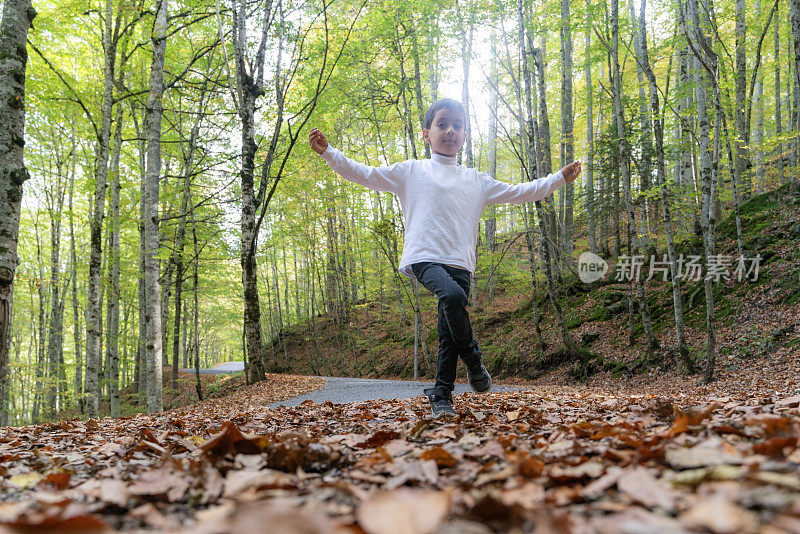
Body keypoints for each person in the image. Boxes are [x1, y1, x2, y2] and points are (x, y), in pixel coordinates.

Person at [309, 98, 581, 418]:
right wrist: (329, 152)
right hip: (425, 256)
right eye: (442, 124)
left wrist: (559, 178)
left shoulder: (477, 181)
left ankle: (442, 395)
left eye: (458, 125)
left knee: (448, 329)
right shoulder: (411, 171)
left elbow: (523, 191)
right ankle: (474, 359)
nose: (450, 130)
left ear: (464, 136)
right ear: (427, 134)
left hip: (461, 262)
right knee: (451, 297)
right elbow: (364, 174)